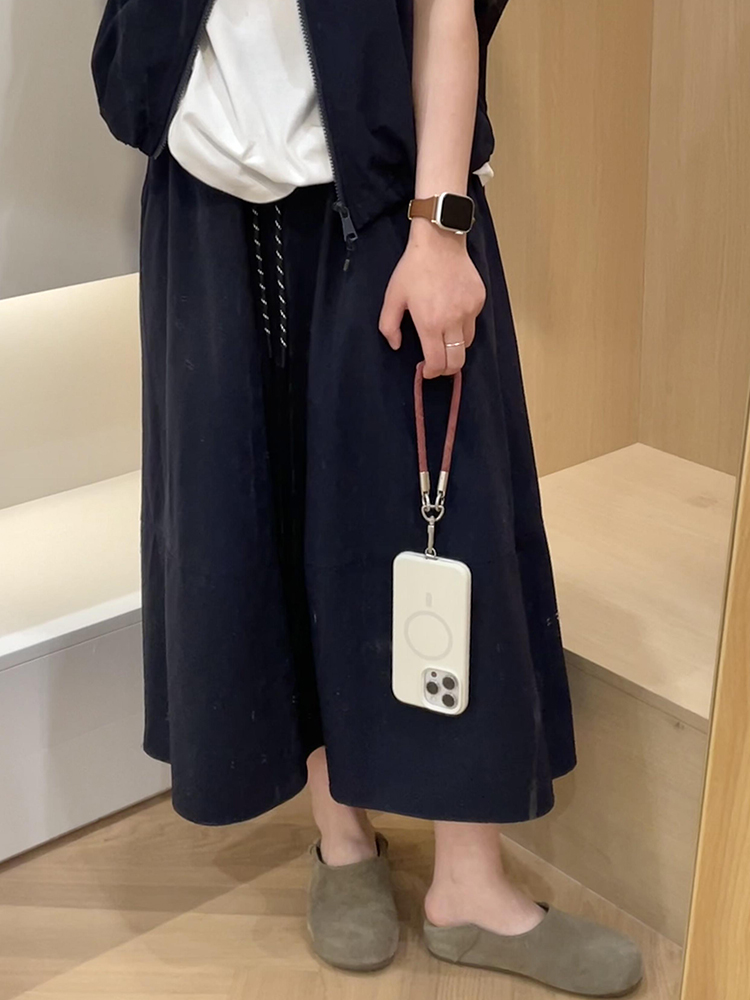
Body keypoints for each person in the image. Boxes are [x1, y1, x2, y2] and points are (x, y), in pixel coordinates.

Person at [91, 0, 643, 994]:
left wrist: (441, 226)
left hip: (389, 205)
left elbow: (446, 10)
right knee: (261, 518)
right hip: (206, 209)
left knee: (446, 528)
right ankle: (340, 839)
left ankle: (470, 884)